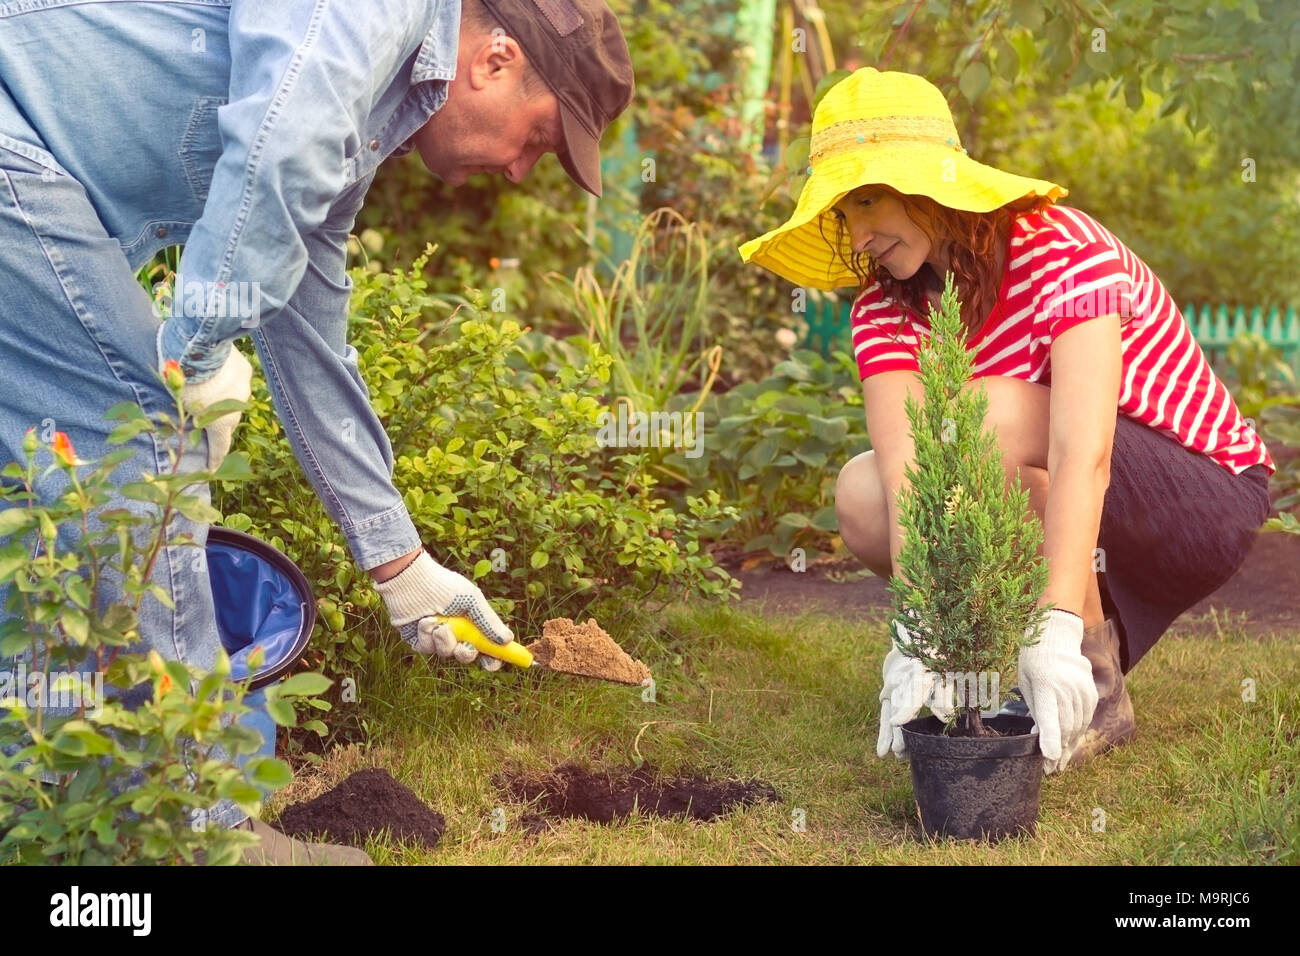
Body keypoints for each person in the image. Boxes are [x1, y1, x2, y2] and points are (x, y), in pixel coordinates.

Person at [0, 0, 634, 864]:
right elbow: (279, 154)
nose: (524, 171)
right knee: (137, 430)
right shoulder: (368, 16)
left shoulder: (364, 121)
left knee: (47, 487)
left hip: (30, 164)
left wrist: (403, 567)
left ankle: (38, 799)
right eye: (540, 138)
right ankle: (186, 834)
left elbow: (309, 335)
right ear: (495, 61)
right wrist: (195, 355)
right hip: (15, 142)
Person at [740, 67, 1274, 776]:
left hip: (1197, 495)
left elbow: (1083, 452)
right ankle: (1064, 684)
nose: (858, 233)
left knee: (973, 417)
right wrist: (916, 632)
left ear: (931, 187)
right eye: (843, 213)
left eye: (868, 199)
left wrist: (1054, 625)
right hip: (1075, 503)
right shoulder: (881, 312)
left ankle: (1084, 664)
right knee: (862, 495)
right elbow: (910, 479)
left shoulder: (1061, 249)